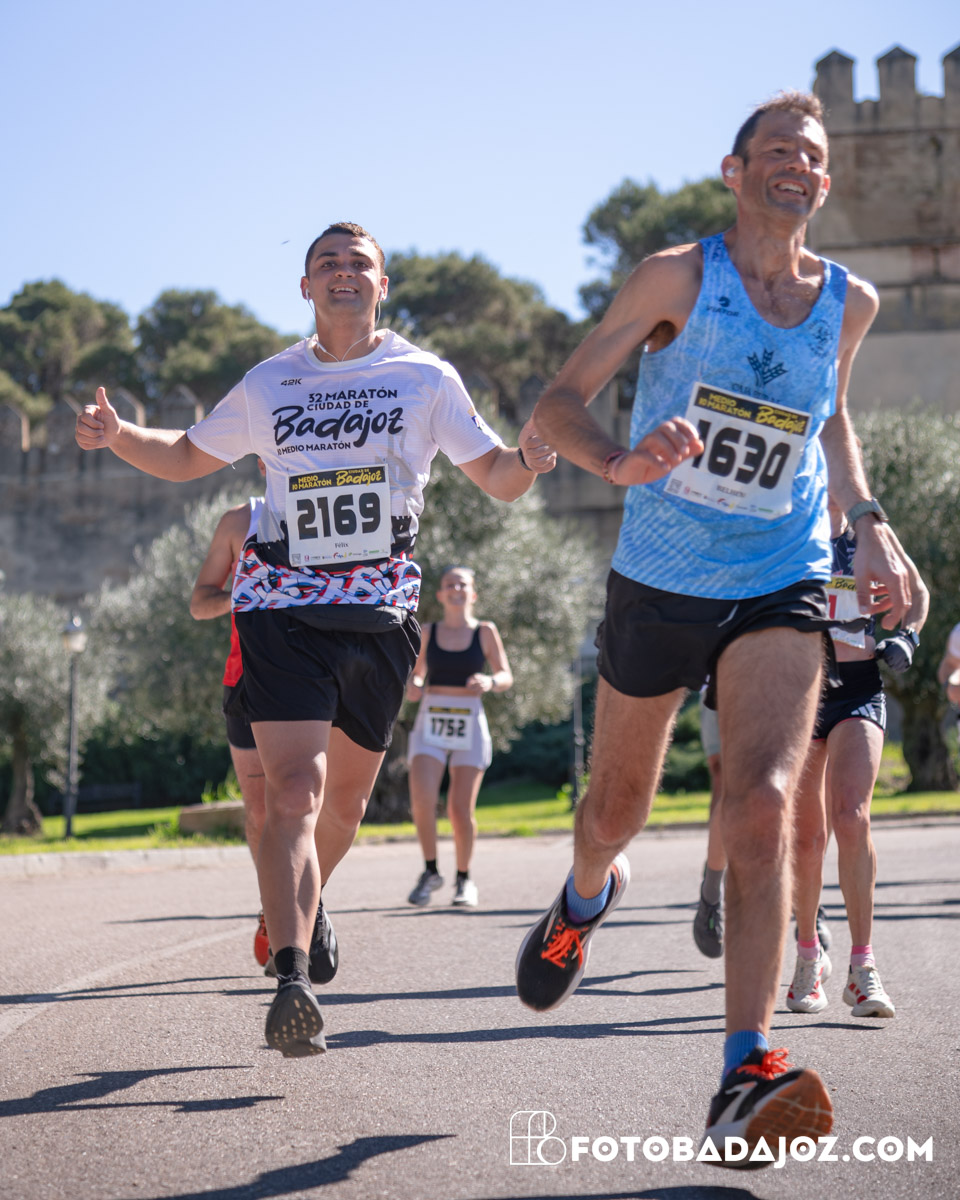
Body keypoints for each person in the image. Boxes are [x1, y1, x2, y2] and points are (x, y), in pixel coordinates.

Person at [514, 92, 919, 1167]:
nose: (798, 165)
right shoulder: (676, 279)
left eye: (813, 156)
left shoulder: (850, 300)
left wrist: (870, 526)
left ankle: (746, 1066)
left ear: (825, 182)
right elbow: (558, 401)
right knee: (616, 808)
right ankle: (584, 896)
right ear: (734, 172)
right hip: (661, 573)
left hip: (781, 571)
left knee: (768, 800)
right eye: (776, 149)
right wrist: (618, 460)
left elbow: (831, 419)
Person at [76, 221, 556, 1058]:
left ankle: (304, 902)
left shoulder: (425, 378)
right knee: (293, 793)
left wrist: (531, 458)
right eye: (326, 263)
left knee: (345, 807)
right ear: (305, 287)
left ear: (382, 285)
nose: (342, 272)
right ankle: (291, 978)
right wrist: (119, 437)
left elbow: (496, 475)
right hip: (282, 608)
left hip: (378, 616)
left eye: (358, 262)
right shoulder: (271, 382)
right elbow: (187, 455)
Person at [789, 498, 927, 1018]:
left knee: (852, 816)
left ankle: (863, 969)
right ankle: (808, 955)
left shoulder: (869, 537)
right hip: (800, 693)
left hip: (859, 689)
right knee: (807, 838)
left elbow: (918, 593)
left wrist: (908, 637)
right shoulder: (790, 533)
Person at [189, 470, 272, 971]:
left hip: (320, 676)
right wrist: (238, 596)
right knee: (260, 810)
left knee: (320, 805)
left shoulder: (334, 499)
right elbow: (200, 603)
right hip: (248, 680)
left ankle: (310, 899)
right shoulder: (240, 521)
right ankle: (274, 910)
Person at [404, 565, 512, 908]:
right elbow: (415, 675)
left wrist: (490, 681)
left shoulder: (485, 631)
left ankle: (464, 879)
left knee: (459, 809)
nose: (455, 589)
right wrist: (414, 685)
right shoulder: (427, 631)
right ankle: (430, 871)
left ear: (472, 593)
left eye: (462, 584)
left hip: (470, 719)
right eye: (449, 584)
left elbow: (505, 675)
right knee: (422, 799)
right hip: (432, 718)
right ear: (440, 594)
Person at [692, 688, 725, 958]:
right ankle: (712, 883)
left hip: (767, 686)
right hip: (714, 688)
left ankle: (809, 907)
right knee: (721, 773)